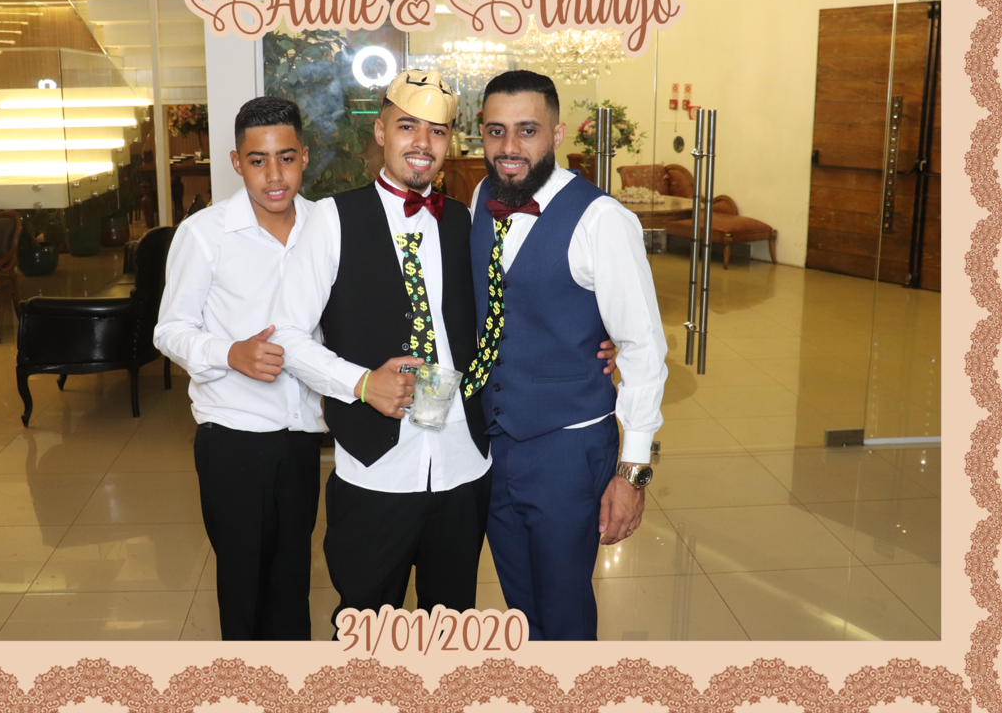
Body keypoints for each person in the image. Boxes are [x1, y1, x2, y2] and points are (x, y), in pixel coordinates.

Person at [270, 70, 492, 630]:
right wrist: (362, 383)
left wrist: (594, 341)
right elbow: (287, 335)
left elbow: (501, 313)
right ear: (380, 131)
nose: (423, 143)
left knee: (452, 628)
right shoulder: (332, 218)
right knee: (367, 629)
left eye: (437, 131)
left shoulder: (463, 221)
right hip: (377, 470)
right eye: (408, 126)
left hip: (463, 466)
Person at [469, 69, 669, 641]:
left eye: (527, 130)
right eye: (496, 131)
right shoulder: (482, 197)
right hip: (493, 442)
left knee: (564, 608)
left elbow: (644, 349)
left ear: (556, 134)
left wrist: (632, 473)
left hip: (568, 446)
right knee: (521, 606)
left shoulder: (603, 220)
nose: (510, 147)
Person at [153, 96, 324, 640]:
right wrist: (230, 353)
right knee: (244, 589)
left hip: (302, 433)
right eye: (257, 160)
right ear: (236, 162)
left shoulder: (324, 226)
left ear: (304, 157)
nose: (274, 176)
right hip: (233, 435)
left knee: (292, 584)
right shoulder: (204, 234)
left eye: (286, 158)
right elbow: (169, 330)